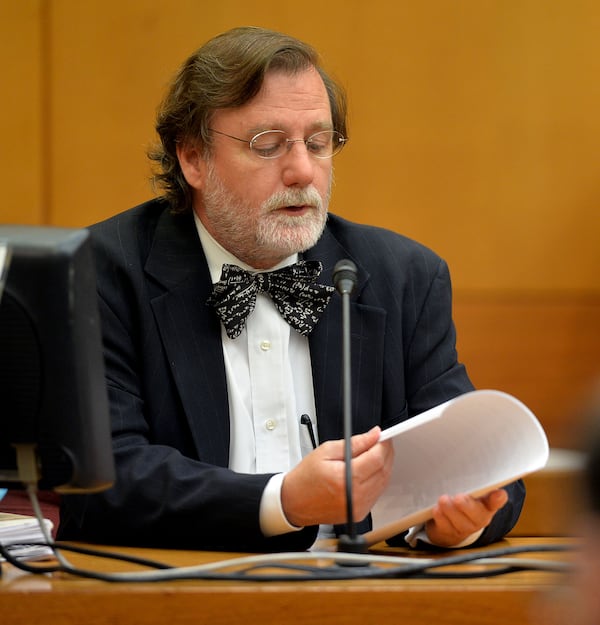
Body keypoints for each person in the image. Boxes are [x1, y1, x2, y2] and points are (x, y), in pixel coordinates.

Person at [57, 26, 524, 552]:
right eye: (267, 145)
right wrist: (282, 501)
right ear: (192, 159)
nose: (302, 170)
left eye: (318, 143)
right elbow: (101, 482)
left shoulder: (403, 278)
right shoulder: (101, 272)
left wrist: (461, 521)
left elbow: (485, 465)